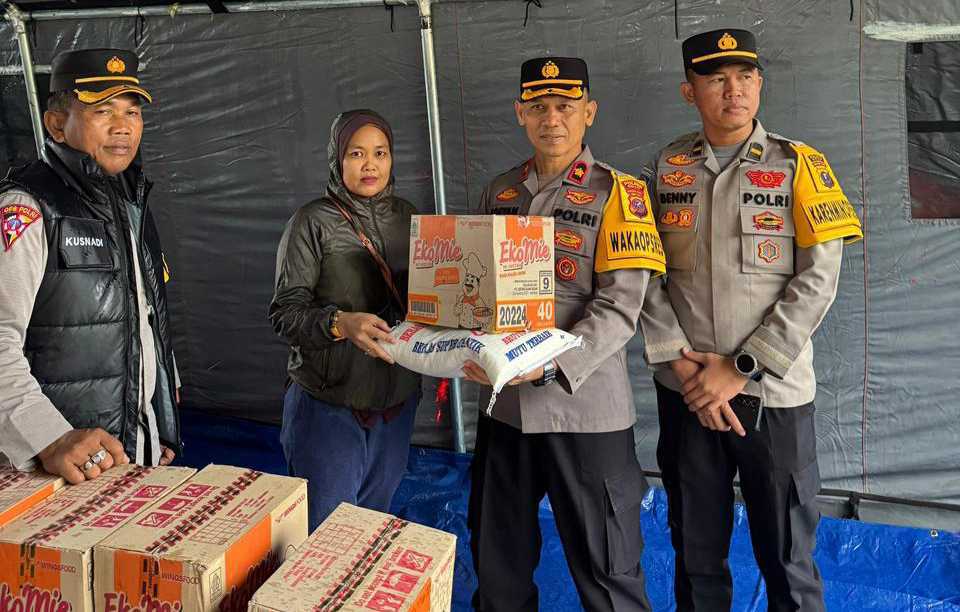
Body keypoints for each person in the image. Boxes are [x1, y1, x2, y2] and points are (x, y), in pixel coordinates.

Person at [639, 29, 863, 611]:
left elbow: (818, 280)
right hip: (687, 393)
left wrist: (741, 367)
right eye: (716, 78)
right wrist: (683, 365)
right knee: (696, 552)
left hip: (773, 395)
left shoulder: (800, 166)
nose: (732, 91)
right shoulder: (663, 170)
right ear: (689, 91)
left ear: (760, 83)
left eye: (744, 77)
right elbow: (643, 272)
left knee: (788, 557)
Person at [464, 57, 666, 611]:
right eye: (538, 107)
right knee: (497, 566)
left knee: (609, 574)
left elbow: (620, 308)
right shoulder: (500, 191)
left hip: (585, 410)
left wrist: (550, 364)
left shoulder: (620, 194)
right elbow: (471, 287)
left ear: (589, 112)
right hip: (506, 411)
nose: (551, 119)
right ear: (520, 113)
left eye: (565, 107)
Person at [0, 48, 182, 484]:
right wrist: (51, 438)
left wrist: (158, 421)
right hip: (57, 470)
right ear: (56, 124)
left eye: (132, 112)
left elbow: (145, 319)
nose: (123, 126)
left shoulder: (131, 201)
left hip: (130, 455)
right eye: (102, 111)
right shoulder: (28, 207)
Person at [269, 109, 421, 532]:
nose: (370, 165)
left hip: (395, 406)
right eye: (357, 153)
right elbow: (284, 313)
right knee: (326, 536)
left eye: (380, 153)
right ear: (338, 159)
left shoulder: (410, 217)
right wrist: (340, 324)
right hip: (329, 407)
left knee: (371, 530)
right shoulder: (311, 222)